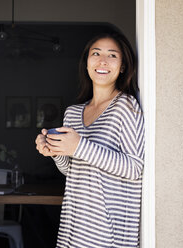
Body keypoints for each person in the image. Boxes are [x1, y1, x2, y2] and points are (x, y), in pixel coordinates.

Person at [35, 30, 144, 248]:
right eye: (96, 53)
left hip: (107, 233)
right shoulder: (72, 113)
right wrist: (55, 152)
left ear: (122, 66)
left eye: (112, 55)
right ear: (87, 63)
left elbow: (135, 168)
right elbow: (72, 170)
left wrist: (80, 146)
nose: (103, 60)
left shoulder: (127, 106)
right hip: (74, 225)